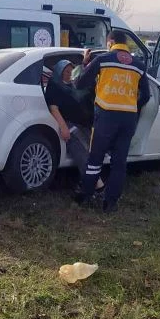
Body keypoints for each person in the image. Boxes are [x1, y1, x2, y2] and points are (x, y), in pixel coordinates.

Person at [74, 30, 150, 212]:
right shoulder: (138, 65)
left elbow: (79, 83)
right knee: (119, 162)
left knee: (95, 159)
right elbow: (146, 95)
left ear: (111, 42)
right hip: (128, 119)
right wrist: (132, 106)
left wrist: (84, 62)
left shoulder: (103, 60)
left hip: (106, 116)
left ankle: (86, 195)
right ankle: (111, 203)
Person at [44, 60, 104, 194]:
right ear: (59, 72)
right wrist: (63, 127)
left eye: (71, 71)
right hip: (69, 123)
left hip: (84, 124)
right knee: (79, 148)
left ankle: (86, 181)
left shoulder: (74, 85)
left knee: (93, 148)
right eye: (65, 71)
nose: (69, 74)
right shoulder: (54, 86)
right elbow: (54, 108)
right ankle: (96, 184)